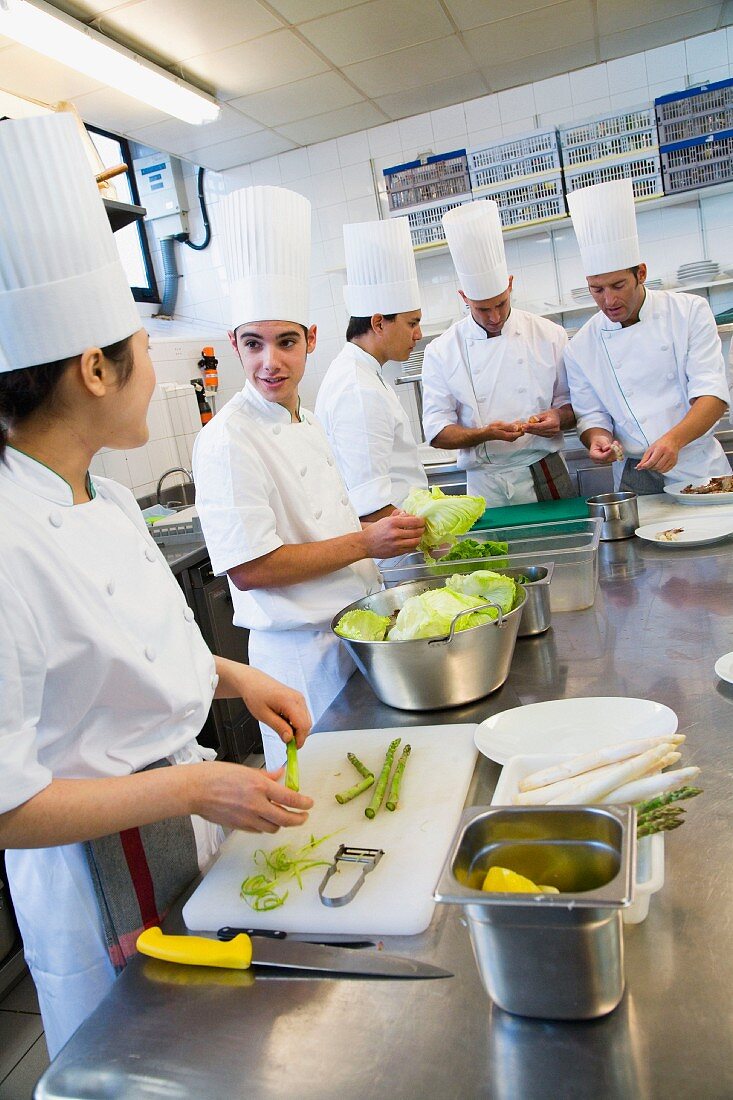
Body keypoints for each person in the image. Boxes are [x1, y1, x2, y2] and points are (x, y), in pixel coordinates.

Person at [0, 115, 314, 1058]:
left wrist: (229, 675)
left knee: (220, 1054)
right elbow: (8, 808)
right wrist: (196, 783)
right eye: (144, 347)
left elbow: (119, 657)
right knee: (153, 1067)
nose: (159, 372)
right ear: (94, 369)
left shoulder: (101, 493)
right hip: (101, 865)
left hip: (183, 818)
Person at [192, 186, 424, 769]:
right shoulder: (225, 439)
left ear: (311, 340)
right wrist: (367, 543)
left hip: (353, 634)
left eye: (286, 342)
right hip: (296, 659)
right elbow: (250, 569)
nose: (271, 361)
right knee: (318, 803)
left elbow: (339, 523)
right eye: (254, 344)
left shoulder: (312, 421)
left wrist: (384, 545)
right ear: (235, 347)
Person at [565, 178, 730, 493]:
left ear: (641, 273)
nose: (608, 301)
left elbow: (712, 396)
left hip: (697, 466)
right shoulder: (580, 346)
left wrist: (674, 439)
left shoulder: (689, 312)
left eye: (618, 286)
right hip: (634, 476)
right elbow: (591, 414)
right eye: (596, 290)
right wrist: (597, 438)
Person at [421, 200, 576, 507]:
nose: (493, 317)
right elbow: (437, 432)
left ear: (509, 285)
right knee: (494, 555)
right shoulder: (442, 351)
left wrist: (558, 416)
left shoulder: (549, 335)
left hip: (544, 472)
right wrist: (484, 434)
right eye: (481, 308)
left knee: (560, 552)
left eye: (500, 304)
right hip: (484, 485)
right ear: (464, 297)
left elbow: (575, 406)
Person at [314, 217, 427, 521]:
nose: (418, 334)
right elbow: (372, 507)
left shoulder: (364, 374)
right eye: (412, 323)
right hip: (392, 555)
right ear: (378, 323)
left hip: (400, 543)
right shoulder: (358, 390)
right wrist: (433, 538)